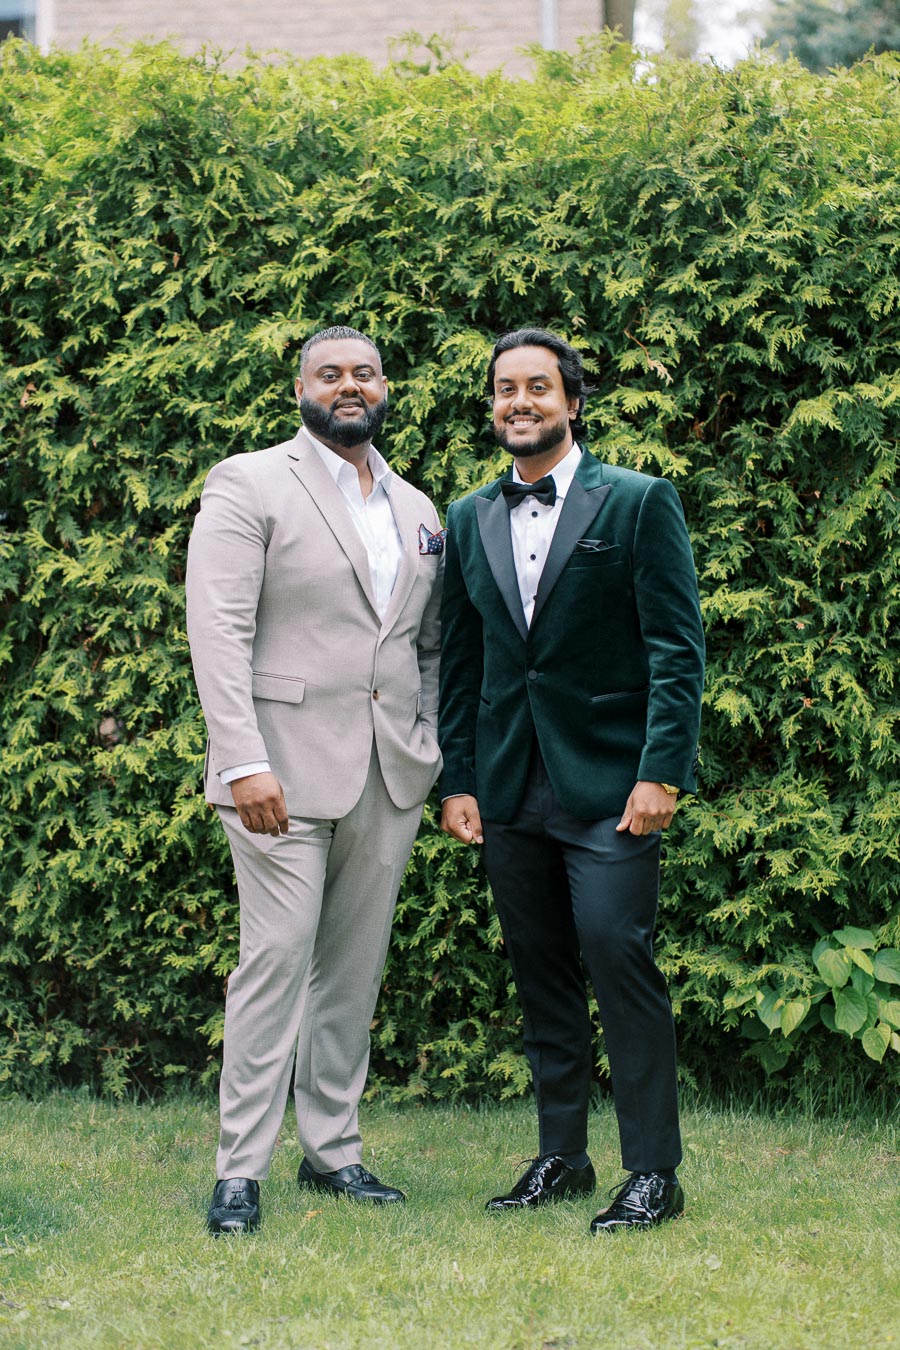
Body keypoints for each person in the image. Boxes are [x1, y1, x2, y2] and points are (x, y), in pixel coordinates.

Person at [438, 328, 704, 1233]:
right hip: (511, 786)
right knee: (541, 973)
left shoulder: (636, 501)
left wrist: (661, 771)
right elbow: (465, 662)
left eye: (538, 388)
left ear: (572, 402)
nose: (520, 402)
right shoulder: (470, 515)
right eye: (506, 389)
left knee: (617, 956)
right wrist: (458, 779)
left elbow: (677, 650)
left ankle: (652, 1172)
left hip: (612, 788)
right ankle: (562, 1156)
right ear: (493, 405)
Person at [186, 326, 444, 1234]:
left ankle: (332, 1151)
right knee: (276, 959)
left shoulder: (418, 509)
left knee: (352, 971)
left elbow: (429, 645)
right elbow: (217, 629)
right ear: (300, 386)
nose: (349, 386)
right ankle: (239, 1172)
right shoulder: (250, 481)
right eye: (330, 373)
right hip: (280, 775)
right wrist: (242, 759)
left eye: (364, 373)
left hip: (389, 775)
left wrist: (427, 742)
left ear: (385, 388)